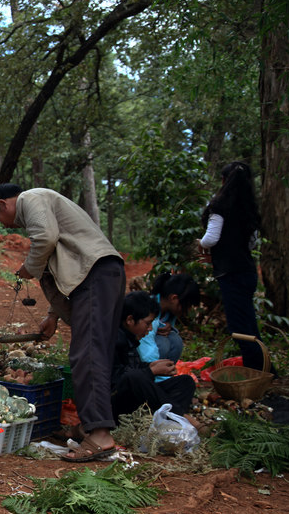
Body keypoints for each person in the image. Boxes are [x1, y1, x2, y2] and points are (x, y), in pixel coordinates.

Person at [0, 184, 125, 463]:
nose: (2, 223)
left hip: (96, 275)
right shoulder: (43, 207)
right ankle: (92, 424)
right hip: (95, 278)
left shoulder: (30, 198)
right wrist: (52, 315)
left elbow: (46, 240)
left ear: (3, 204)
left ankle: (100, 435)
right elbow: (64, 270)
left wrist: (28, 268)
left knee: (87, 352)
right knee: (94, 351)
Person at [199, 162, 273, 373]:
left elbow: (210, 239)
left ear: (224, 181)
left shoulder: (219, 206)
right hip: (247, 271)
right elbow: (251, 244)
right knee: (248, 324)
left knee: (240, 328)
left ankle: (258, 373)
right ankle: (265, 370)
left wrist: (199, 242)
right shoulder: (249, 210)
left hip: (230, 273)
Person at [112, 292, 197, 421]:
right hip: (114, 405)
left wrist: (150, 367)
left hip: (135, 398)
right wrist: (151, 371)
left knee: (186, 382)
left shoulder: (129, 337)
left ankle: (166, 417)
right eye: (147, 323)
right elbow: (120, 381)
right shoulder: (114, 341)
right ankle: (180, 417)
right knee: (135, 377)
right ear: (130, 320)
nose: (150, 328)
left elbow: (133, 368)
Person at [136, 273, 201, 380]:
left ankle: (163, 376)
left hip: (149, 356)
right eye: (188, 305)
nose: (189, 310)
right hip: (138, 360)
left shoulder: (168, 312)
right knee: (164, 343)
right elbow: (147, 351)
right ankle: (156, 380)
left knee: (175, 340)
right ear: (174, 298)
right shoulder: (149, 310)